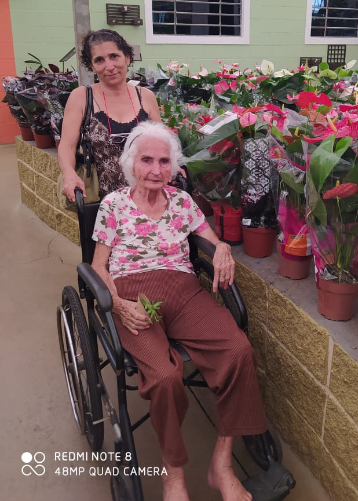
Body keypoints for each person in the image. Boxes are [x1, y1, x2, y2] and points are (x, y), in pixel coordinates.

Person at [91, 121, 266, 501]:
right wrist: (118, 305)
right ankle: (173, 475)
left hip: (183, 291)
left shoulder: (183, 202)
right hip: (132, 297)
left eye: (164, 161)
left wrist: (223, 249)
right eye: (147, 160)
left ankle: (221, 465)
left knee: (238, 351)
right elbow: (98, 267)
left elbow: (211, 239)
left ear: (173, 166)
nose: (156, 170)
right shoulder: (113, 205)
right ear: (131, 163)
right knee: (165, 377)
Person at [58, 29, 162, 202]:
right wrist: (69, 175)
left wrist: (174, 165)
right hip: (102, 203)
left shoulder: (145, 96)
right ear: (92, 66)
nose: (109, 66)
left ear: (127, 57)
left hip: (147, 196)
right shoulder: (82, 97)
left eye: (114, 56)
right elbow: (67, 146)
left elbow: (162, 143)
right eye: (99, 60)